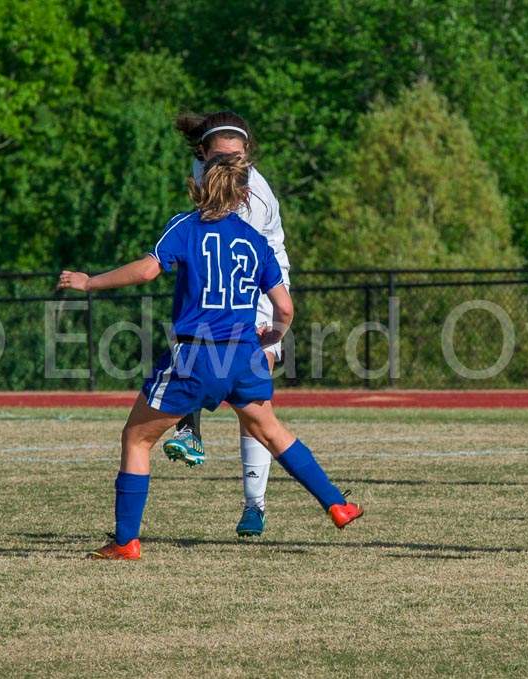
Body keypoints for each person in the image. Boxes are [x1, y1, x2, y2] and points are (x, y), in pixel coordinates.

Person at [57, 153, 362, 560]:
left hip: (197, 356)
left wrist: (90, 281)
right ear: (244, 195)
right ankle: (337, 505)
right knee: (271, 431)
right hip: (245, 356)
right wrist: (273, 334)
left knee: (136, 438)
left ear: (198, 186)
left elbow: (148, 271)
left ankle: (126, 541)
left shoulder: (185, 227)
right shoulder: (256, 242)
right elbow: (284, 308)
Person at [161, 111, 291, 539]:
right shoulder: (203, 167)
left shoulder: (254, 199)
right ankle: (190, 424)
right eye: (220, 156)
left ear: (247, 155)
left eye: (237, 157)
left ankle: (255, 505)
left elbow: (243, 261)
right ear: (203, 153)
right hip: (225, 281)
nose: (229, 164)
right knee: (203, 353)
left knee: (254, 408)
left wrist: (267, 327)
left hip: (259, 288)